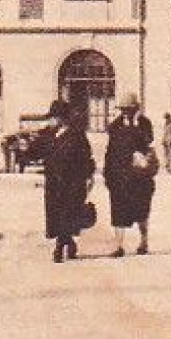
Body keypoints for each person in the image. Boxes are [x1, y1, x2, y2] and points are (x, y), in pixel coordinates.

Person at [104, 93, 157, 257]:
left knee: (142, 210)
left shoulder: (144, 123)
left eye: (129, 109)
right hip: (119, 175)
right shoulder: (115, 126)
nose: (126, 112)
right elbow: (110, 151)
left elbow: (148, 141)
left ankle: (144, 241)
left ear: (136, 109)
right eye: (124, 109)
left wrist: (135, 126)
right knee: (118, 210)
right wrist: (108, 174)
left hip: (140, 176)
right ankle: (118, 246)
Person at [43, 99, 96, 263]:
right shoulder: (49, 135)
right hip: (53, 183)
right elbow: (40, 153)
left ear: (62, 118)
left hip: (73, 182)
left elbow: (87, 158)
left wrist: (89, 177)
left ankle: (59, 248)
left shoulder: (77, 135)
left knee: (67, 214)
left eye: (53, 117)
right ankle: (69, 243)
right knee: (56, 215)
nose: (51, 120)